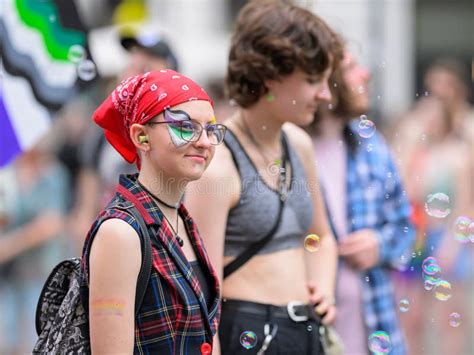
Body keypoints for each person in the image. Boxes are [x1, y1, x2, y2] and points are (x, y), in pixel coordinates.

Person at [185, 1, 343, 353]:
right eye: (313, 80)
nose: (326, 95)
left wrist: (324, 287)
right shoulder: (218, 163)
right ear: (270, 75)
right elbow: (202, 291)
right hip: (247, 332)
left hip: (305, 330)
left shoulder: (298, 144)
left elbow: (322, 235)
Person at [83, 69, 224, 353]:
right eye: (185, 127)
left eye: (210, 129)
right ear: (141, 137)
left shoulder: (181, 219)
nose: (205, 142)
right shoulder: (120, 232)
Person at [309, 49, 415, 355]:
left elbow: (404, 227)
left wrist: (379, 244)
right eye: (352, 67)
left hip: (376, 327)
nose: (365, 74)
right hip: (311, 332)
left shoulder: (372, 144)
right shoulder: (287, 148)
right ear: (325, 80)